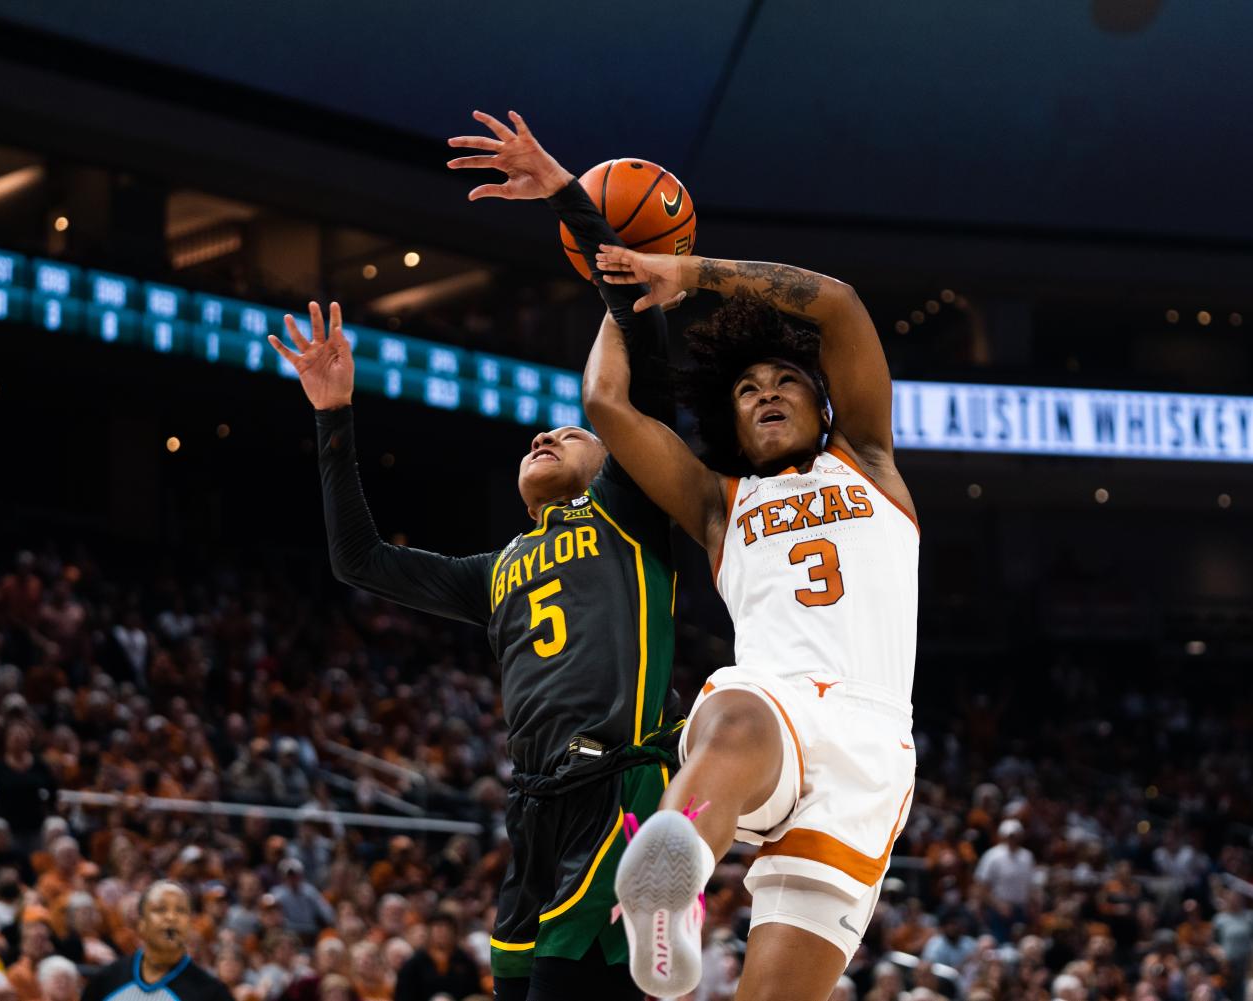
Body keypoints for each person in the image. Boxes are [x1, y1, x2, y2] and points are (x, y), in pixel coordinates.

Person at [268, 109, 683, 1001]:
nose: (544, 431)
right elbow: (360, 560)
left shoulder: (629, 511)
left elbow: (638, 353)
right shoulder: (497, 568)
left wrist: (570, 196)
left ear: (615, 457)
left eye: (569, 430)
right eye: (540, 432)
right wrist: (333, 418)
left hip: (612, 787)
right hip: (529, 807)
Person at [582, 240, 922, 999]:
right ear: (729, 423)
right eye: (745, 389)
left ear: (823, 401)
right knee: (734, 709)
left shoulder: (866, 457)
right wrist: (619, 291)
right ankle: (671, 876)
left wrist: (687, 271)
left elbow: (835, 302)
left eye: (784, 380)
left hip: (869, 748)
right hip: (774, 706)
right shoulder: (718, 504)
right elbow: (607, 404)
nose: (765, 392)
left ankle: (672, 869)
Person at [79, 882, 231, 1001]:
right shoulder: (106, 981)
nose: (169, 919)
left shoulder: (211, 992)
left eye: (179, 911)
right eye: (159, 911)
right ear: (141, 924)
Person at [392, 914, 481, 1001]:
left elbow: (474, 994)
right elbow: (403, 995)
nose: (442, 933)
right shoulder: (413, 964)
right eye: (437, 929)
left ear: (454, 933)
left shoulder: (465, 962)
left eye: (446, 929)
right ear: (428, 933)